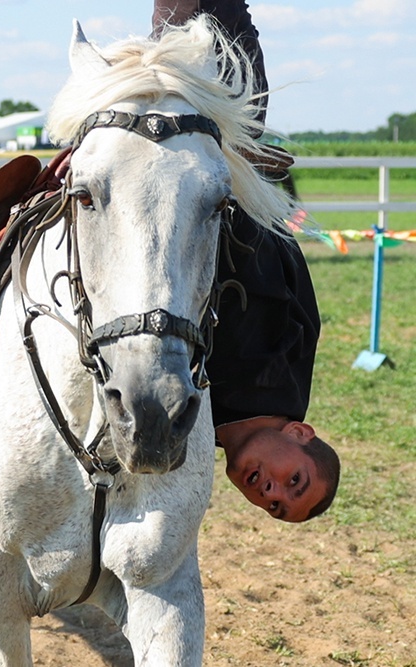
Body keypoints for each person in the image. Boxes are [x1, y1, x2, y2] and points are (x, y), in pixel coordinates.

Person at [154, 0, 339, 522]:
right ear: (300, 434)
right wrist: (241, 164)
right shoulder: (276, 359)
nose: (271, 492)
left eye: (276, 506)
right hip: (219, 145)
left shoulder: (190, 429)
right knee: (210, 22)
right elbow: (267, 236)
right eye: (294, 481)